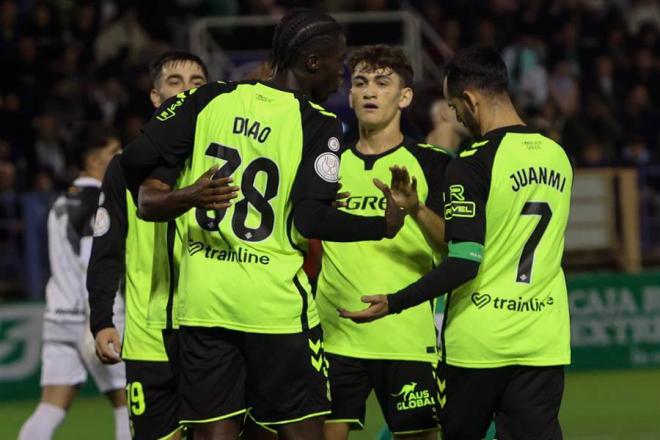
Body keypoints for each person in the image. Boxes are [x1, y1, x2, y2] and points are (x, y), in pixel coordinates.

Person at [120, 8, 406, 440]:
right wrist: (381, 226)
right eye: (338, 61)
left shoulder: (210, 98)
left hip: (204, 301)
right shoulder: (318, 122)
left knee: (216, 433)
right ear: (312, 63)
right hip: (273, 305)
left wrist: (179, 186)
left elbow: (137, 158)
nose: (341, 73)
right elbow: (311, 218)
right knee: (301, 429)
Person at [341, 45, 573, 440]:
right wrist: (417, 209)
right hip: (542, 338)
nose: (456, 116)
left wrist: (395, 302)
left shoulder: (472, 163)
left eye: (454, 105)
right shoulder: (557, 154)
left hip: (479, 343)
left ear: (470, 99)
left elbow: (465, 259)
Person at [317, 45, 451, 440]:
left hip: (406, 336)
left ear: (404, 96)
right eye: (361, 83)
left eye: (382, 82)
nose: (370, 91)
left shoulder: (432, 163)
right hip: (335, 334)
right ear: (351, 95)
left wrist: (416, 209)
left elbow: (453, 248)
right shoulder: (325, 165)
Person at [87, 51, 213, 440]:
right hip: (148, 338)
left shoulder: (228, 161)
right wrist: (102, 320)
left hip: (212, 333)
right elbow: (107, 249)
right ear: (156, 97)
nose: (187, 91)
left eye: (197, 84)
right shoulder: (125, 166)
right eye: (176, 83)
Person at [19, 125, 128, 440]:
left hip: (58, 314)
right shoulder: (98, 201)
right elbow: (89, 263)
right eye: (114, 153)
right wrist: (99, 318)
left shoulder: (63, 200)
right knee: (126, 404)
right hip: (93, 315)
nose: (120, 158)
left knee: (50, 407)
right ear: (94, 161)